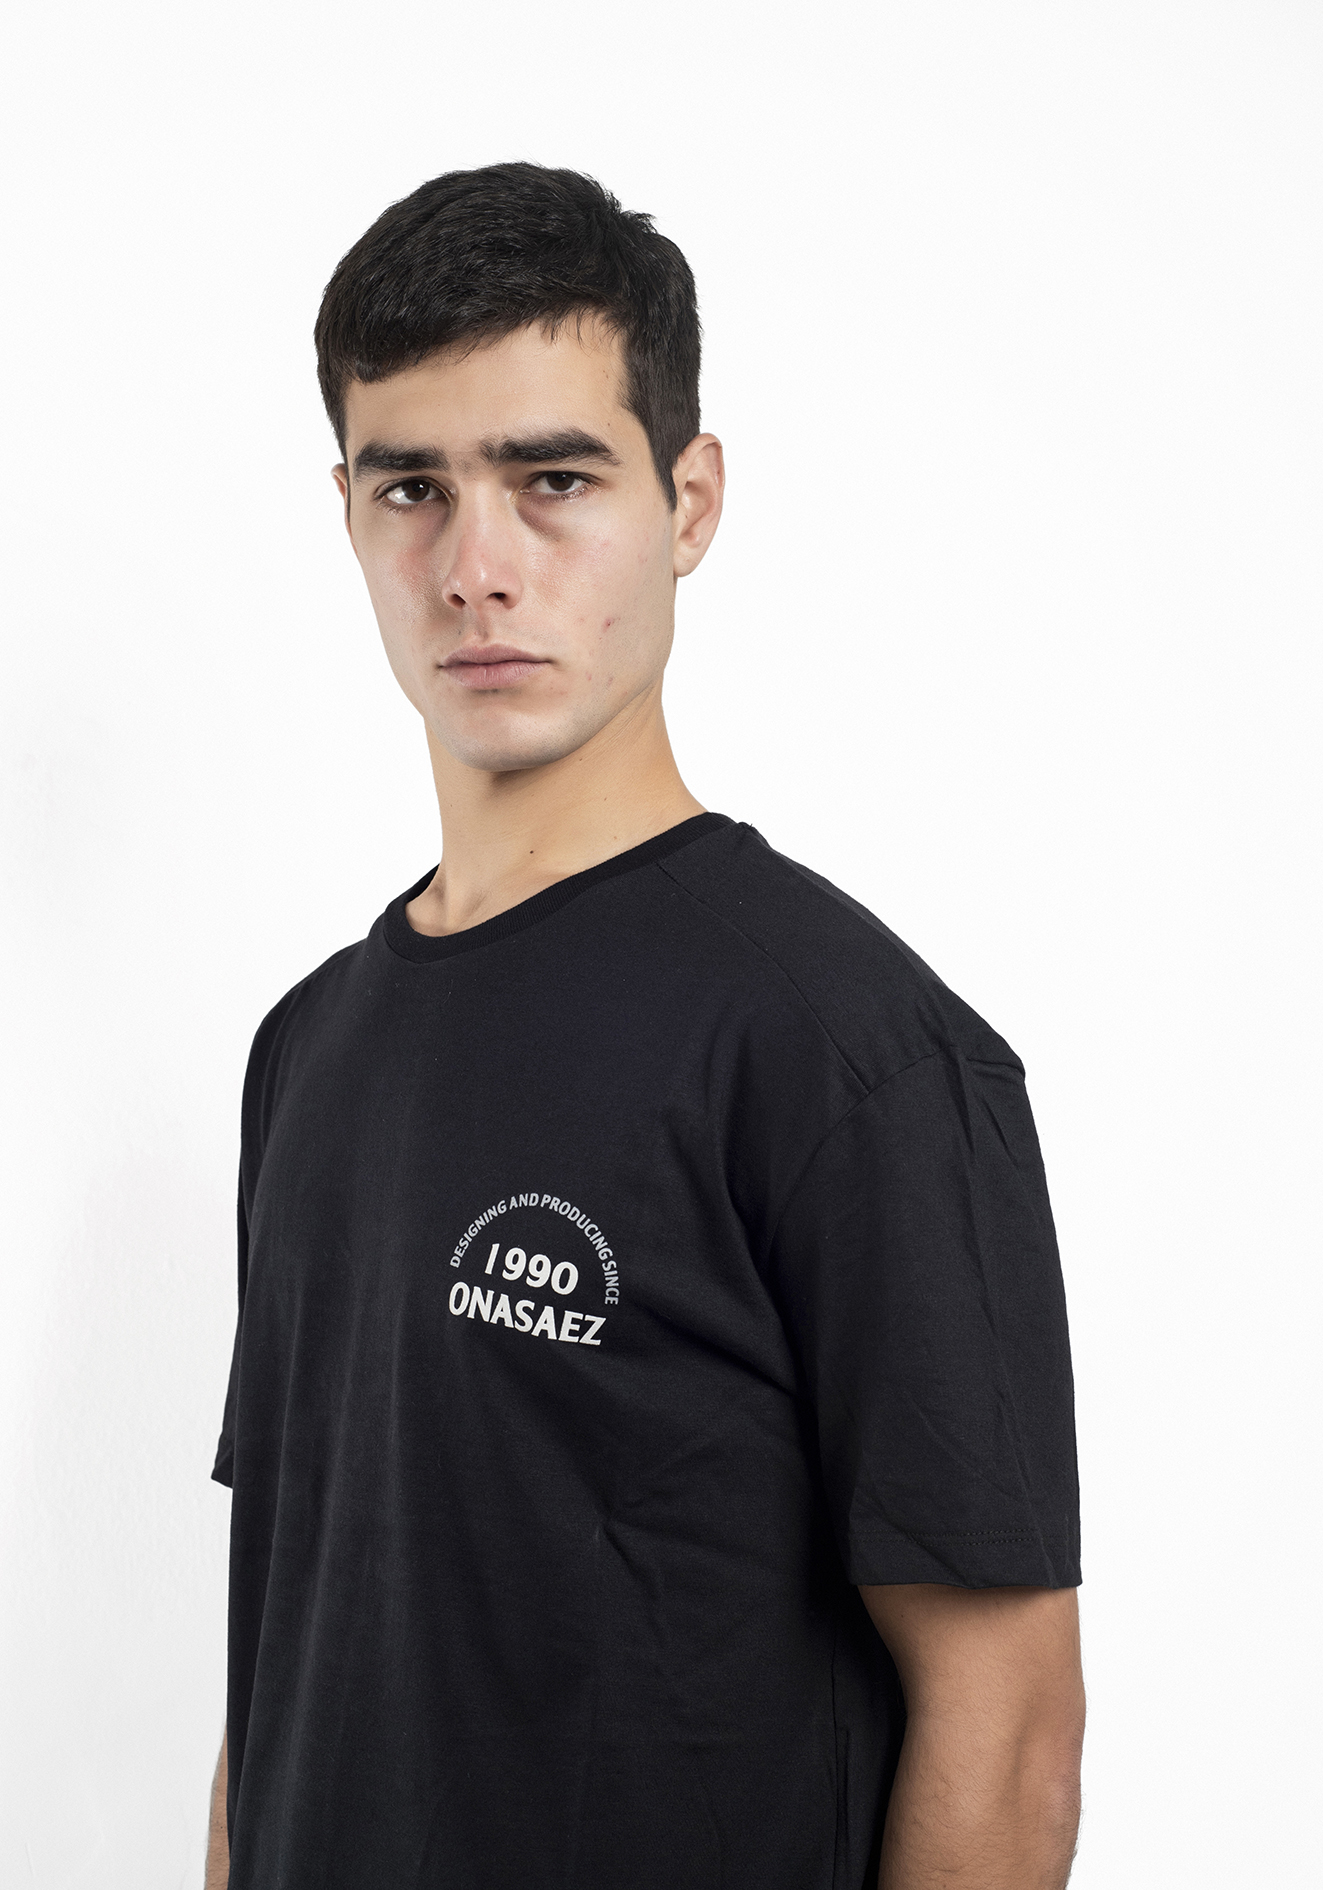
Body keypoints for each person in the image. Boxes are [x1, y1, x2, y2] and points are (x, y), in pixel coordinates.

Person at [205, 162, 1084, 1890]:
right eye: (411, 486)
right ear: (348, 511)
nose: (477, 569)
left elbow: (1010, 1726)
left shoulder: (853, 1054)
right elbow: (288, 1652)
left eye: (554, 481)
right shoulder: (306, 1048)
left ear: (690, 501)